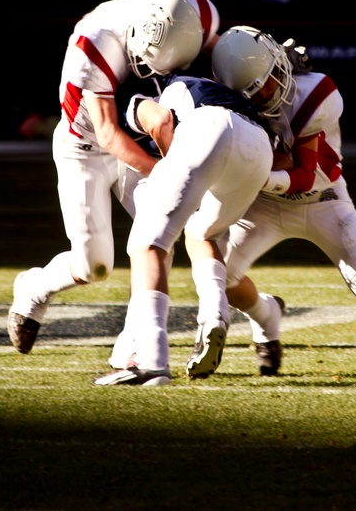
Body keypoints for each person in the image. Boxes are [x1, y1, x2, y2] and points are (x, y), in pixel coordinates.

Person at [211, 26, 356, 378]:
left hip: (324, 199)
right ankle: (265, 315)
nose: (267, 93)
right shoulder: (223, 105)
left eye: (268, 79)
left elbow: (302, 174)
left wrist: (254, 173)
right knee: (218, 275)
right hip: (264, 205)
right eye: (253, 92)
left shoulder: (314, 93)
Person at [8, 0, 220, 355]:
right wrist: (164, 172)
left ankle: (135, 345)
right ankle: (33, 289)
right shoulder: (96, 44)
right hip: (86, 147)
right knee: (95, 265)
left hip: (135, 136)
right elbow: (107, 133)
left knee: (157, 237)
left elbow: (216, 43)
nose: (151, 73)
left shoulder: (191, 11)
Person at [93, 72, 275, 385]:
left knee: (146, 243)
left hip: (208, 131)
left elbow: (161, 121)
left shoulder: (136, 92)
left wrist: (172, 172)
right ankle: (214, 313)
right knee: (201, 233)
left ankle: (152, 363)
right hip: (259, 147)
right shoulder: (211, 83)